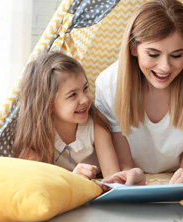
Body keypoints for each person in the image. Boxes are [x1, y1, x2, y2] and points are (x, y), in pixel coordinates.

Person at [95, 0, 183, 184]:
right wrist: (131, 176)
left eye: (177, 55)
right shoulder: (109, 85)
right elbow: (122, 164)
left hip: (175, 178)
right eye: (153, 54)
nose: (165, 67)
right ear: (133, 48)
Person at [13, 52, 145, 184]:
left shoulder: (96, 123)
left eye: (85, 88)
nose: (84, 99)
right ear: (48, 103)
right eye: (72, 95)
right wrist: (72, 179)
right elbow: (32, 183)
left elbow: (112, 177)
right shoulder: (37, 137)